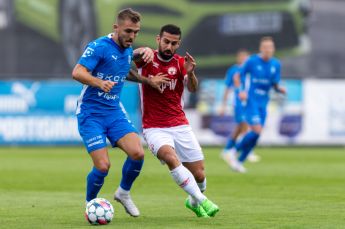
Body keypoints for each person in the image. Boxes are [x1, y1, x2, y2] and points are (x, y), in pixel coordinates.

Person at [72, 8, 168, 217]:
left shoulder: (127, 49)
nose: (132, 36)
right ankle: (91, 206)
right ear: (116, 28)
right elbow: (77, 72)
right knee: (103, 166)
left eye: (136, 32)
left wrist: (148, 81)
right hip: (91, 114)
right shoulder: (99, 47)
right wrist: (98, 82)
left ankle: (123, 193)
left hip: (114, 111)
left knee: (137, 153)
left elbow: (125, 71)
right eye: (128, 31)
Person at [134, 24, 219, 218]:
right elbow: (129, 58)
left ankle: (194, 200)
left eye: (173, 43)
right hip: (154, 127)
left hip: (180, 124)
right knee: (172, 159)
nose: (169, 47)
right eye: (166, 42)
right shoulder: (147, 59)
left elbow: (193, 89)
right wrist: (142, 50)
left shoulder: (181, 63)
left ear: (178, 44)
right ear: (158, 39)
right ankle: (204, 201)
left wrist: (192, 72)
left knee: (199, 175)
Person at [225, 37, 286, 173]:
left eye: (270, 47)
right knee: (256, 129)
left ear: (273, 49)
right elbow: (237, 76)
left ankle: (239, 162)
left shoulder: (276, 64)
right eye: (265, 47)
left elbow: (274, 83)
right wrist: (240, 91)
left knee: (257, 135)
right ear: (261, 48)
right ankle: (233, 151)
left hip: (263, 102)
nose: (268, 50)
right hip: (251, 100)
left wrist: (279, 89)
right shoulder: (252, 61)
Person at [220, 50, 260, 165]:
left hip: (248, 103)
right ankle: (248, 152)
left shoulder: (251, 71)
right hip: (238, 103)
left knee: (239, 128)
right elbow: (227, 88)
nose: (243, 59)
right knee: (245, 126)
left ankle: (227, 150)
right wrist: (223, 105)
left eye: (246, 57)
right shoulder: (233, 70)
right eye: (241, 57)